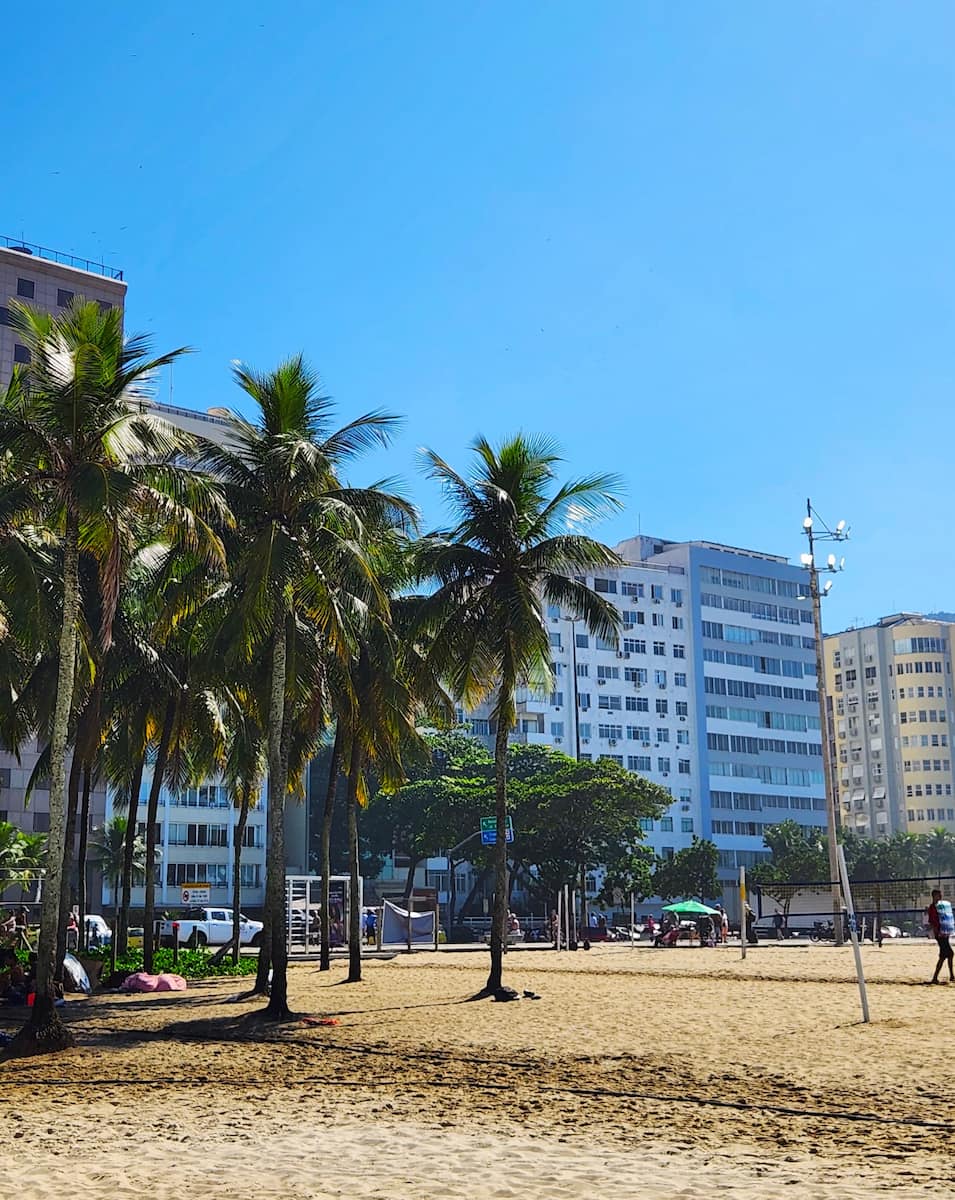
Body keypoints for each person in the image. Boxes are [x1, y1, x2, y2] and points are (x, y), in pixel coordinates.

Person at [927, 888, 955, 984]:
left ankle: (951, 976)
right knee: (947, 955)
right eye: (939, 895)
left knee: (947, 954)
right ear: (934, 896)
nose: (941, 897)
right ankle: (936, 977)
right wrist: (937, 933)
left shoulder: (941, 906)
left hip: (944, 933)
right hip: (939, 934)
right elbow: (932, 922)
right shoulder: (932, 908)